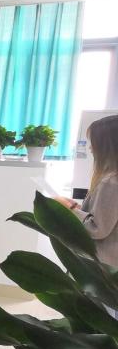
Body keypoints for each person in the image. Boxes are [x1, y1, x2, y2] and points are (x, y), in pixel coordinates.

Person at [57, 115, 118, 269]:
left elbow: (97, 228)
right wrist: (79, 209)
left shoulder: (110, 182)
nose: (90, 148)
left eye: (94, 143)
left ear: (107, 146)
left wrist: (69, 208)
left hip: (102, 266)